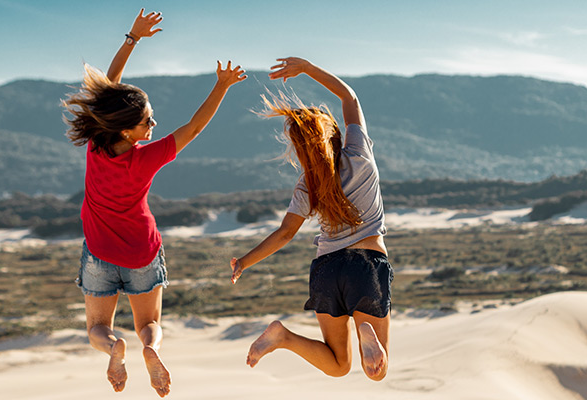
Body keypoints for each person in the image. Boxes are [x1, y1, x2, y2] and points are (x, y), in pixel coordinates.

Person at [62, 9, 246, 397]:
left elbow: (107, 88)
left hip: (99, 254)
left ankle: (114, 348)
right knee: (149, 324)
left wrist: (132, 37)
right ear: (127, 130)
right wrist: (222, 86)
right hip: (142, 253)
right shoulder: (146, 157)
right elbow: (194, 127)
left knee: (97, 328)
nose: (153, 127)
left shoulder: (97, 145)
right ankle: (149, 349)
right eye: (148, 122)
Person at [229, 57, 392, 381]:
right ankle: (366, 331)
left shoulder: (307, 183)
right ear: (333, 133)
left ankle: (283, 337)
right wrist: (306, 68)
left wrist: (244, 262)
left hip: (326, 270)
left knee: (338, 365)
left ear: (301, 151)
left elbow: (285, 233)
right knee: (375, 373)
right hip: (367, 265)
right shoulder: (358, 153)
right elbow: (349, 98)